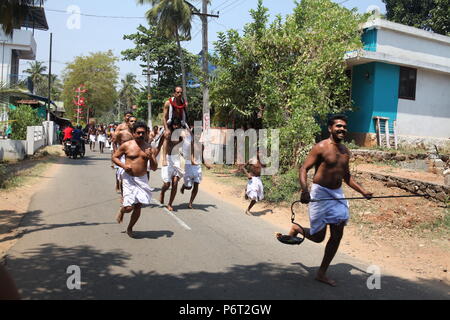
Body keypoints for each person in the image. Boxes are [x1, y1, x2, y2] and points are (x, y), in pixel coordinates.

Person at [276, 114, 373, 287]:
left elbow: (347, 177)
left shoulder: (345, 152)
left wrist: (363, 191)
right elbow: (304, 168)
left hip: (337, 195)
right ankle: (297, 228)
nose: (342, 129)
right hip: (320, 193)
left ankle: (321, 272)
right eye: (338, 126)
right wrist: (305, 190)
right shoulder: (320, 147)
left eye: (344, 126)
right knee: (319, 237)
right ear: (330, 128)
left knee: (337, 234)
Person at [112, 121, 161, 238]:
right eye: (138, 133)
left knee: (138, 205)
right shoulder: (127, 145)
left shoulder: (150, 148)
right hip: (128, 178)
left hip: (142, 179)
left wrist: (151, 157)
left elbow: (154, 168)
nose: (140, 135)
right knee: (129, 208)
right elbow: (114, 157)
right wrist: (124, 166)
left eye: (143, 133)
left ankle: (130, 227)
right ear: (133, 133)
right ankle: (122, 210)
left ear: (146, 133)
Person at [180, 123, 212, 209]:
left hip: (197, 166)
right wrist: (192, 161)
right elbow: (191, 154)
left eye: (199, 133)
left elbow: (201, 157)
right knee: (189, 186)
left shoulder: (202, 145)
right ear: (194, 134)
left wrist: (206, 164)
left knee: (197, 184)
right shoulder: (190, 143)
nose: (198, 135)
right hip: (189, 165)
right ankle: (184, 186)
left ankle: (190, 203)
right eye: (196, 133)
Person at [159, 117, 184, 211]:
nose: (176, 126)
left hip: (177, 159)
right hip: (168, 158)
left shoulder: (181, 134)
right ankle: (162, 192)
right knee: (167, 184)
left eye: (178, 125)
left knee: (175, 182)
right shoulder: (168, 133)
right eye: (175, 124)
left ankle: (170, 203)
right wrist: (164, 159)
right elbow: (164, 145)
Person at [113, 116, 137, 196]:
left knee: (134, 177)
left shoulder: (138, 133)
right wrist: (116, 153)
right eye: (131, 121)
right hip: (123, 157)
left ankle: (132, 195)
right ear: (127, 123)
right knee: (123, 178)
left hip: (134, 157)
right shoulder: (122, 133)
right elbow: (114, 142)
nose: (133, 123)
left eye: (135, 121)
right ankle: (123, 196)